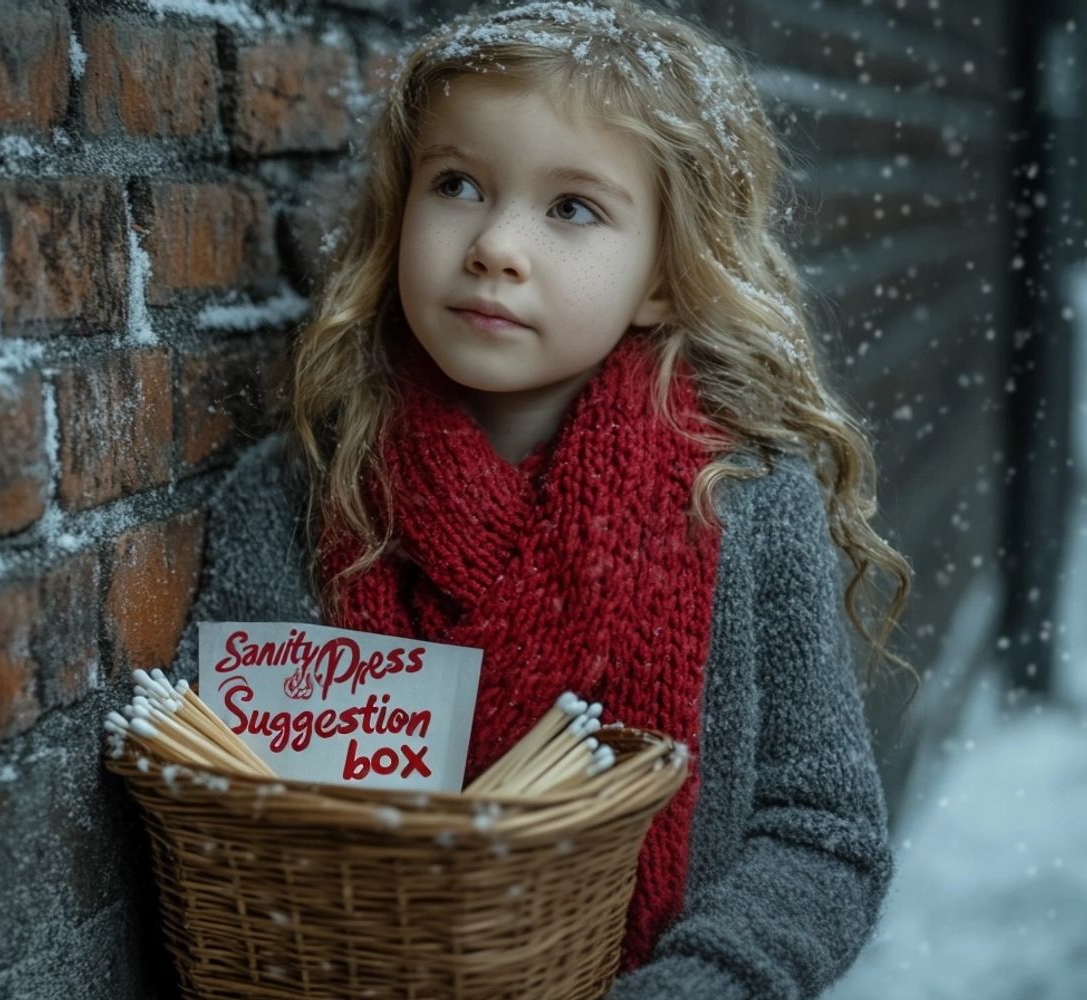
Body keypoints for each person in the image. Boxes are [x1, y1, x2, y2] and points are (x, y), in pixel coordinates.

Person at [171, 1, 915, 996]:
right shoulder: (306, 492)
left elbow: (820, 832)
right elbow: (249, 822)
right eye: (457, 184)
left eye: (572, 208)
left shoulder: (738, 496)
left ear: (662, 275)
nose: (494, 245)